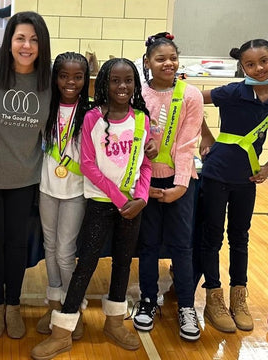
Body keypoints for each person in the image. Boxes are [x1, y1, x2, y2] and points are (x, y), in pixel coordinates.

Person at [32, 57, 152, 359]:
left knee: (124, 263)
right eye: (115, 80)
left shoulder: (141, 119)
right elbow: (87, 164)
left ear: (136, 84)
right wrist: (121, 199)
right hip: (101, 202)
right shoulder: (93, 118)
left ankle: (114, 321)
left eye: (128, 81)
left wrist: (142, 197)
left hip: (134, 206)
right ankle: (63, 330)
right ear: (103, 84)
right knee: (85, 264)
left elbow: (145, 163)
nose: (122, 86)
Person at [0, 11, 51, 339]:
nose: (26, 45)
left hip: (25, 178)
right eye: (20, 38)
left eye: (33, 39)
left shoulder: (47, 80)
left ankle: (13, 304)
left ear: (41, 44)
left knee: (17, 243)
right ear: (9, 41)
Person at [133, 32, 204, 341]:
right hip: (146, 182)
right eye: (160, 58)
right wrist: (142, 185)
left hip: (180, 182)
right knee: (147, 244)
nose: (168, 63)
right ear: (147, 62)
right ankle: (148, 301)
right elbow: (133, 143)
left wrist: (180, 186)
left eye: (172, 58)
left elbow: (188, 143)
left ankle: (186, 306)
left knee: (181, 246)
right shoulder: (137, 94)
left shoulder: (191, 95)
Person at [200, 39, 268, 333]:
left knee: (240, 237)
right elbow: (188, 99)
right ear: (242, 67)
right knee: (212, 237)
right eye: (251, 64)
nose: (259, 68)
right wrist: (205, 136)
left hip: (247, 179)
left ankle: (239, 298)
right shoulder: (231, 91)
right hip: (216, 174)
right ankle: (213, 298)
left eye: (264, 61)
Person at [35, 52, 90, 339]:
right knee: (50, 248)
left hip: (75, 192)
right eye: (64, 75)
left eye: (78, 76)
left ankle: (73, 308)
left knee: (66, 253)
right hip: (47, 188)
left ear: (86, 79)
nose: (70, 82)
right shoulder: (46, 107)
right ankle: (55, 304)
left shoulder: (91, 113)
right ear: (55, 77)